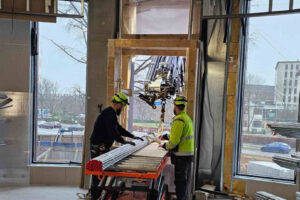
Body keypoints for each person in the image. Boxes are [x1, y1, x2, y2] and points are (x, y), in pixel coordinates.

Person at [89, 92, 143, 200]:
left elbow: (118, 128)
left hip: (102, 145)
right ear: (118, 104)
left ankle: (96, 194)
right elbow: (112, 133)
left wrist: (132, 136)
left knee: (100, 173)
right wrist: (124, 142)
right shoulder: (108, 114)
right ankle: (94, 196)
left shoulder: (111, 114)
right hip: (99, 146)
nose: (122, 109)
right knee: (97, 173)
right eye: (122, 106)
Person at [159, 96, 194, 200]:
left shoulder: (178, 119)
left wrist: (165, 145)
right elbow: (179, 136)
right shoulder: (186, 118)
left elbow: (174, 142)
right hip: (187, 155)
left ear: (175, 106)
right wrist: (166, 136)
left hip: (182, 156)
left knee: (180, 183)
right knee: (184, 182)